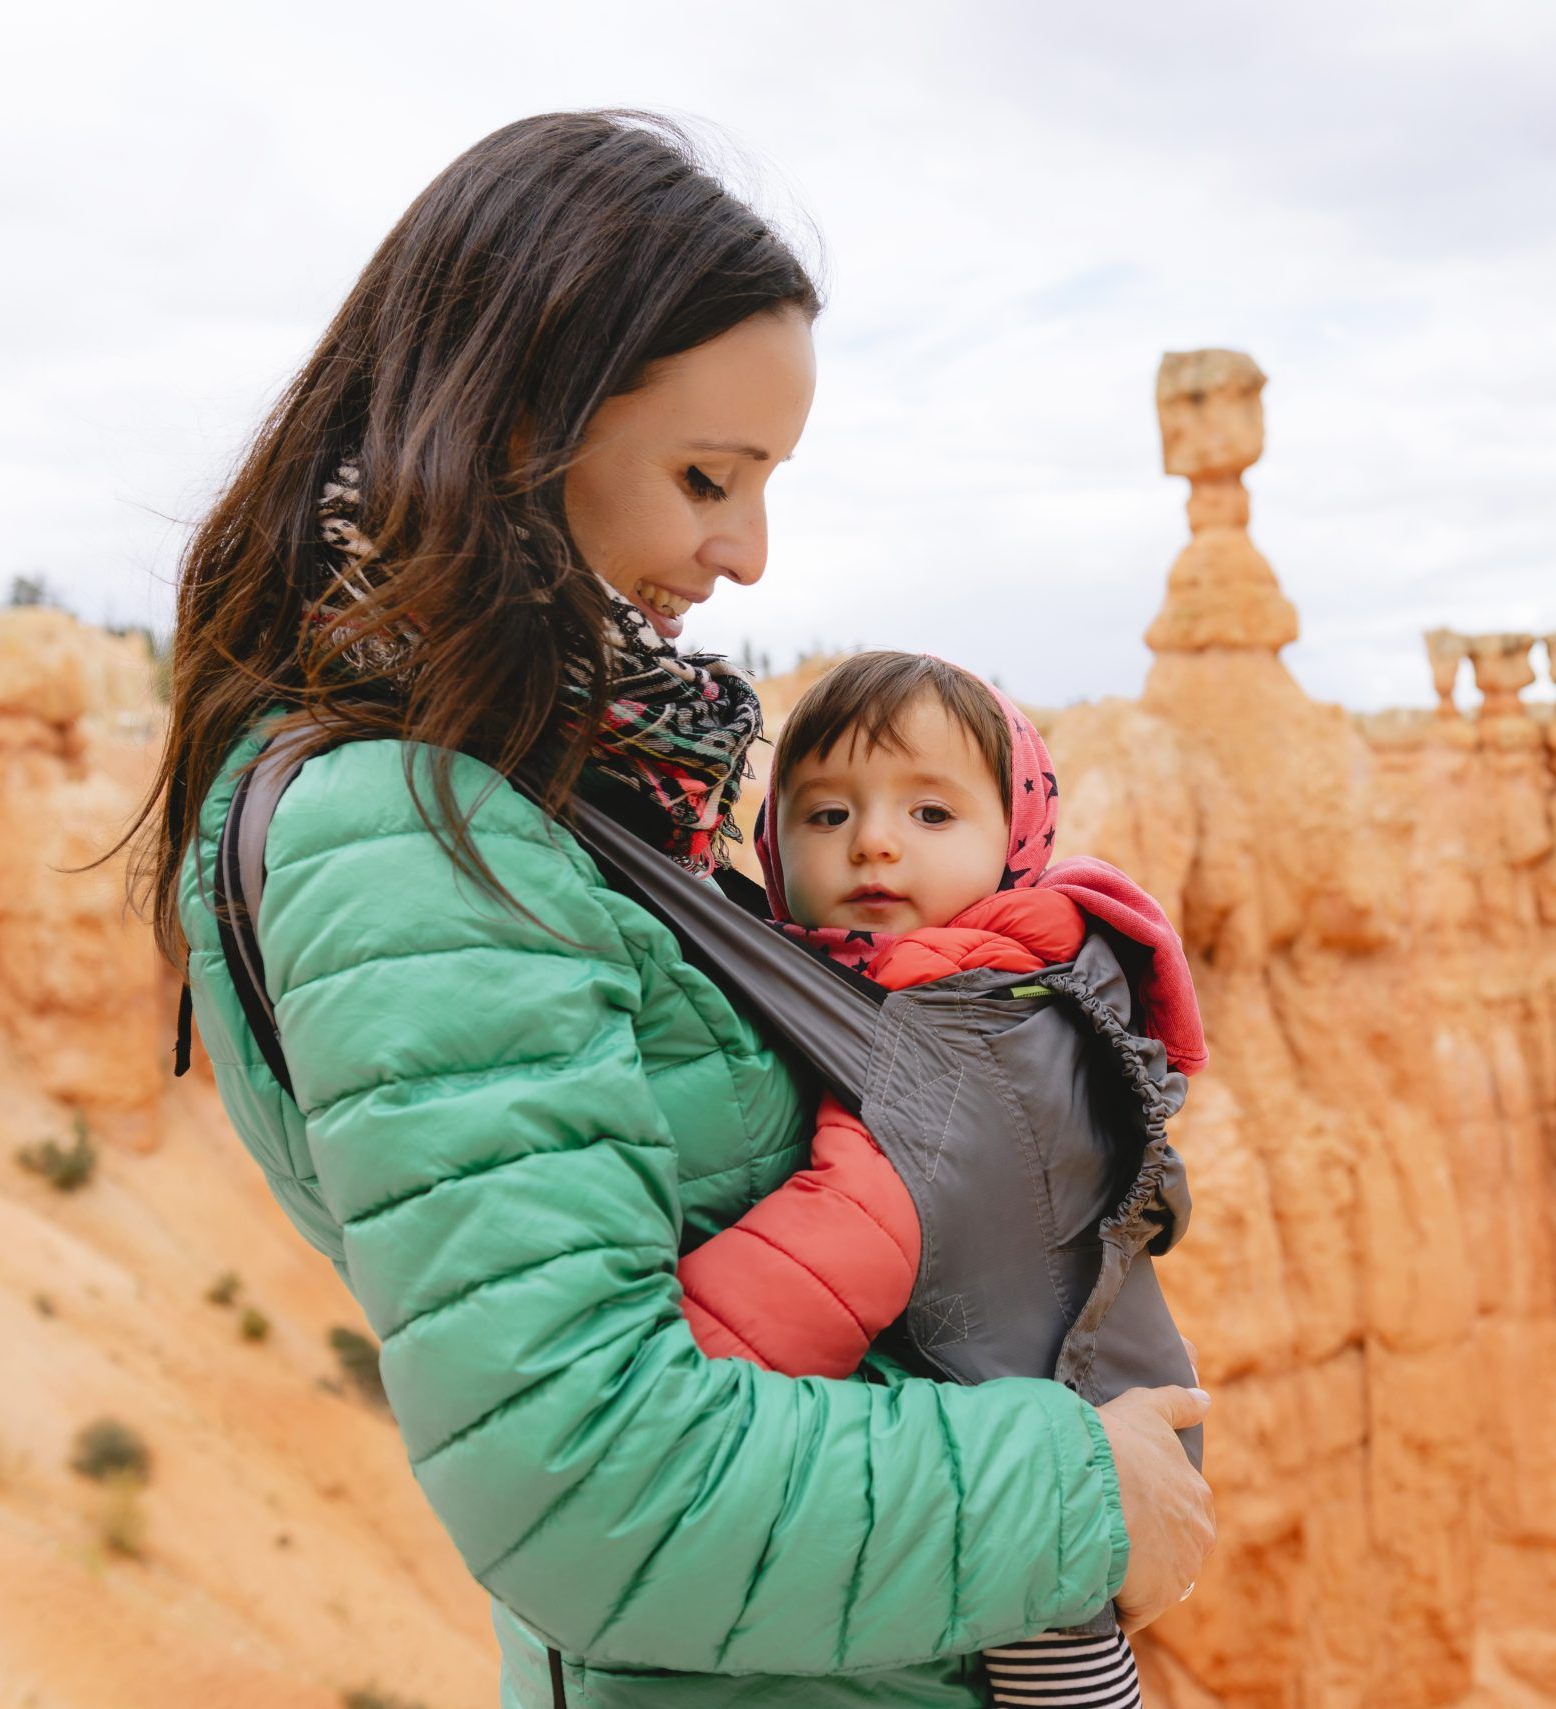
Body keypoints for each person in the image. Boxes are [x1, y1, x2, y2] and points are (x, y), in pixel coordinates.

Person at [131, 109, 1212, 1709]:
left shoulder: (566, 789)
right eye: (708, 477)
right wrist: (1077, 1491)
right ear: (517, 428)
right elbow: (587, 1479)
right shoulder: (407, 825)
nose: (748, 551)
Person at [672, 649, 1209, 1709]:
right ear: (775, 846)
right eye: (826, 815)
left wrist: (664, 1360)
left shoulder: (961, 1023)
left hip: (1062, 1448)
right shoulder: (1014, 976)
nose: (873, 839)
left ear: (1013, 841)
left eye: (928, 812)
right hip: (1062, 1408)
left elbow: (860, 1226)